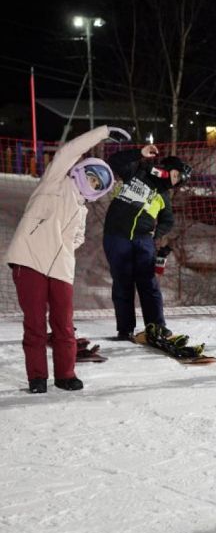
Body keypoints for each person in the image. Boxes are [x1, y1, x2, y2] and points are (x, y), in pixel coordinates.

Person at [6, 126, 124, 393]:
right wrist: (103, 133)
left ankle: (65, 374)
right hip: (30, 259)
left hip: (60, 268)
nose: (92, 184)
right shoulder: (55, 182)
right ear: (82, 170)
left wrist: (65, 249)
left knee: (64, 324)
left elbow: (78, 238)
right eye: (91, 177)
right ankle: (37, 378)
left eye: (97, 185)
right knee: (35, 323)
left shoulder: (82, 209)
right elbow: (69, 151)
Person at [103, 145, 191, 340]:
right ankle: (125, 330)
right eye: (175, 175)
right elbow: (115, 161)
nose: (173, 181)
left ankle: (156, 326)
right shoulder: (137, 173)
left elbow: (168, 221)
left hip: (144, 241)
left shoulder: (164, 197)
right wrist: (138, 153)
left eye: (177, 181)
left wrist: (155, 234)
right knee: (123, 282)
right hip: (117, 236)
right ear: (167, 167)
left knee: (148, 284)